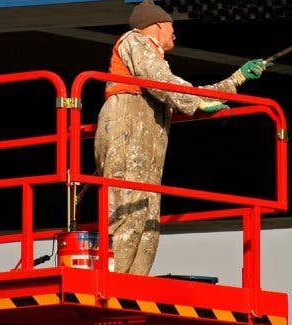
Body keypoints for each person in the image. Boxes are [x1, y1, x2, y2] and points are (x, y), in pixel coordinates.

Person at [94, 0, 269, 275]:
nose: (175, 33)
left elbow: (177, 89)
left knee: (147, 221)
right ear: (159, 25)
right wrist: (197, 103)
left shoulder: (159, 70)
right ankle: (112, 279)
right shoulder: (134, 40)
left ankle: (133, 284)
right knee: (127, 212)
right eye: (172, 27)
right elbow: (164, 83)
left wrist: (237, 79)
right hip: (127, 127)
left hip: (146, 137)